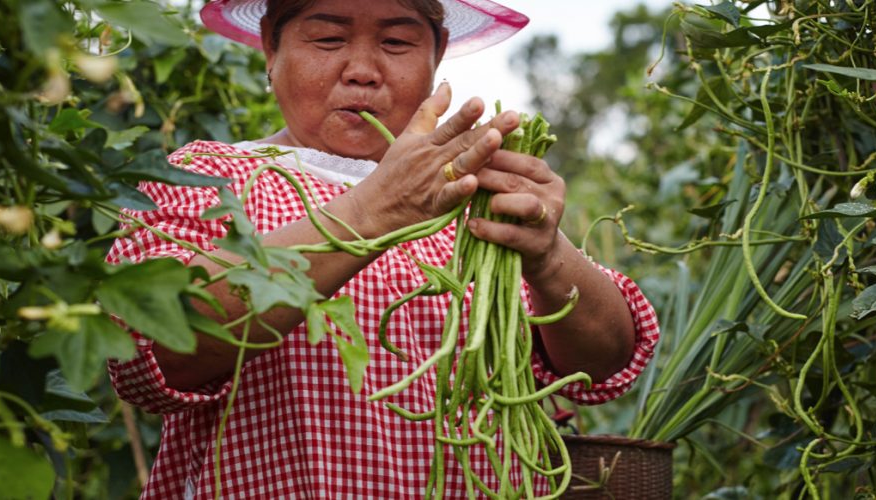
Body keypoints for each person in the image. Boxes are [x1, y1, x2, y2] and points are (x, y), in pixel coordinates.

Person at [107, 0, 659, 497]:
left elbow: (605, 362)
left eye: (397, 42)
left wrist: (548, 254)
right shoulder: (209, 178)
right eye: (328, 39)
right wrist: (374, 210)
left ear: (436, 55)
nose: (363, 71)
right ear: (272, 46)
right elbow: (150, 346)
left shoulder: (474, 194)